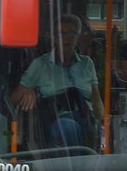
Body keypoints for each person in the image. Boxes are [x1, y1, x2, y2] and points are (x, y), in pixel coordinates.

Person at [12, 14, 104, 149]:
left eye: (72, 33)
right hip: (53, 122)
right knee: (68, 127)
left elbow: (96, 100)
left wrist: (104, 123)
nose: (66, 38)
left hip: (87, 121)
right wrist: (27, 90)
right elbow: (13, 99)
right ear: (53, 37)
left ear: (78, 36)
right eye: (61, 33)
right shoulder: (40, 64)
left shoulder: (87, 63)